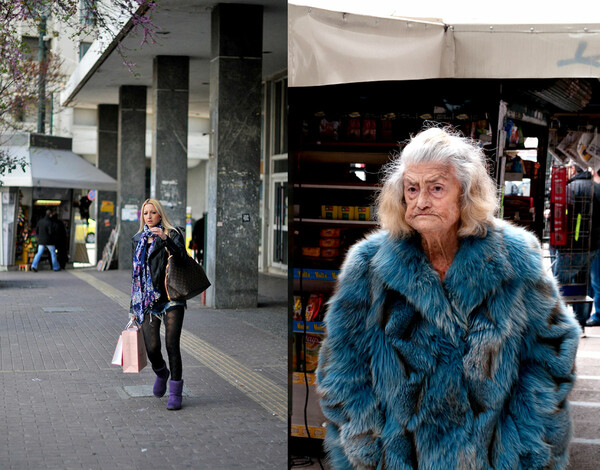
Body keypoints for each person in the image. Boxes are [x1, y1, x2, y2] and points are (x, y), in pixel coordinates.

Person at [317, 127, 580, 470]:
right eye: (411, 189)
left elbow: (552, 352)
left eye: (436, 188)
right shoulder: (368, 265)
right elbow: (342, 363)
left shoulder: (515, 257)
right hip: (398, 458)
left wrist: (525, 439)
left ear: (466, 195)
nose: (420, 200)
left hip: (493, 456)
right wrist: (367, 444)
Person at [130, 198, 188, 410]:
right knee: (152, 347)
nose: (149, 217)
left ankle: (175, 392)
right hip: (148, 300)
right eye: (146, 213)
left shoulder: (173, 233)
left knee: (172, 344)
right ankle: (161, 372)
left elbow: (182, 258)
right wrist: (134, 309)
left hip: (172, 297)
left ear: (160, 214)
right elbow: (135, 276)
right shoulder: (137, 239)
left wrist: (166, 239)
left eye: (153, 213)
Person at [553, 164, 598, 329]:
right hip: (592, 245)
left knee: (561, 282)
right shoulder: (597, 188)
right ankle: (581, 319)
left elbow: (566, 215)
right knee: (583, 283)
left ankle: (560, 319)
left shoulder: (571, 188)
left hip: (572, 245)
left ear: (573, 170)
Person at [585, 168, 600, 326]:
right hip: (596, 240)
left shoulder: (594, 190)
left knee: (595, 280)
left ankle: (598, 316)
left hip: (594, 240)